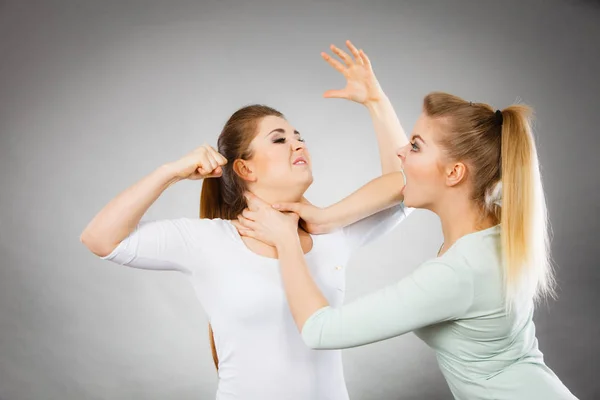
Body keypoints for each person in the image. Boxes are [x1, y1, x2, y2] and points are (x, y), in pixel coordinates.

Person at [79, 41, 412, 400]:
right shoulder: (209, 240)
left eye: (299, 138)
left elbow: (410, 186)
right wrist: (170, 173)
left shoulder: (333, 233)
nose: (298, 145)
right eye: (280, 139)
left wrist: (377, 102)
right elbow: (100, 239)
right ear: (244, 168)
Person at [235, 92, 579, 399]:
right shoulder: (496, 224)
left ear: (455, 173)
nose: (401, 152)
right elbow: (398, 187)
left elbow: (319, 329)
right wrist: (375, 101)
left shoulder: (460, 273)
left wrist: (285, 240)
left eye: (415, 146)